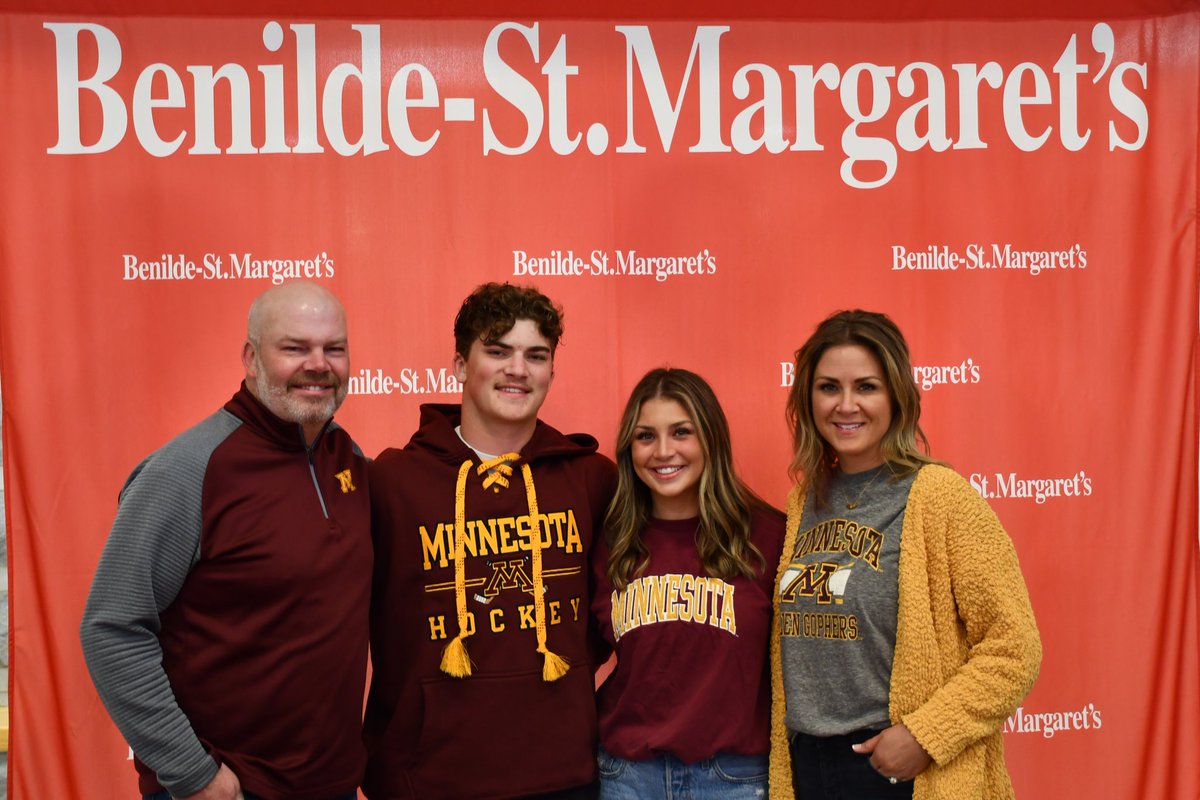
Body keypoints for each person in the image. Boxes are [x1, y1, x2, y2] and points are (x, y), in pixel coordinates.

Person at [80, 281, 370, 800]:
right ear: (251, 358)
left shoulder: (346, 457)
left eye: (334, 348)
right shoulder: (186, 470)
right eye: (294, 347)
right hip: (228, 788)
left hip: (332, 785)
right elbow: (112, 628)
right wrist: (193, 774)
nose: (318, 364)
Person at [768, 310, 1041, 800]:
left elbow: (1014, 648)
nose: (846, 405)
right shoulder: (804, 501)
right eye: (829, 387)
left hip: (898, 770)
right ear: (808, 398)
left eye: (866, 387)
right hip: (808, 767)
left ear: (897, 395)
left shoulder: (940, 498)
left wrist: (925, 735)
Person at [363, 282, 616, 800]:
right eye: (498, 351)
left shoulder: (592, 479)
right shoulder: (391, 481)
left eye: (535, 356)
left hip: (562, 775)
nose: (517, 369)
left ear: (551, 372)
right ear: (460, 365)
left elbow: (616, 615)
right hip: (426, 779)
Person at [591, 368, 785, 800]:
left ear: (711, 438)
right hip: (628, 776)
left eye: (682, 432)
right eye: (646, 436)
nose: (663, 451)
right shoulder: (609, 541)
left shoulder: (769, 537)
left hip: (736, 777)